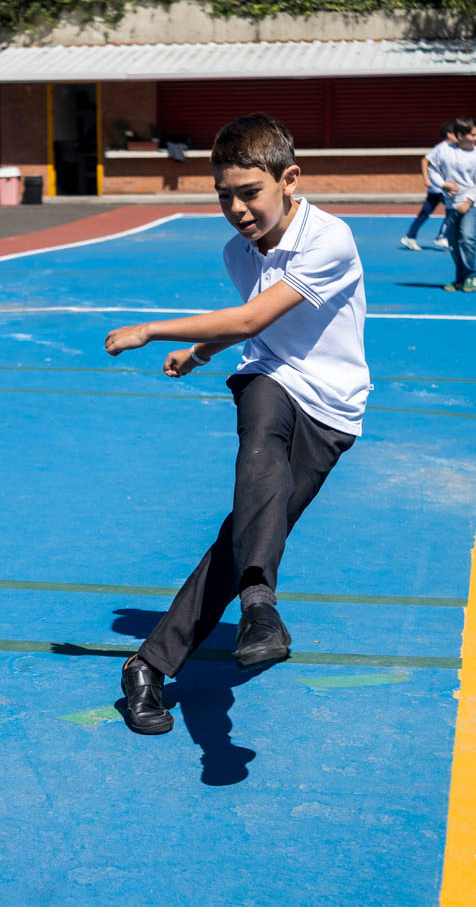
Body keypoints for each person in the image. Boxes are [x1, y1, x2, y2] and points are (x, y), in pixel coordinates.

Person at [104, 114, 370, 735]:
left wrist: (153, 330)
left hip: (333, 407)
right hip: (270, 380)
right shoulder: (237, 251)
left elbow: (252, 318)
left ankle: (146, 665)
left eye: (249, 192)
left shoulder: (329, 239)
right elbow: (259, 334)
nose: (237, 208)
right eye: (224, 194)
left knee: (245, 537)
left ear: (290, 180)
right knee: (258, 431)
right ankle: (259, 608)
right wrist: (200, 356)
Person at [427, 117, 476, 292]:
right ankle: (461, 278)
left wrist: (469, 200)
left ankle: (471, 276)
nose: (475, 138)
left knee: (468, 239)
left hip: (472, 204)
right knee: (454, 243)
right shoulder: (445, 151)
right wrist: (442, 184)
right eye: (473, 135)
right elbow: (432, 169)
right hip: (451, 205)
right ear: (461, 135)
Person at [401, 122, 456, 251]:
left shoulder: (453, 148)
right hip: (439, 188)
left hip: (438, 188)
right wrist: (426, 178)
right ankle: (442, 237)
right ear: (449, 134)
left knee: (425, 213)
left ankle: (409, 237)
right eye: (457, 133)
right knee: (453, 210)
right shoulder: (441, 148)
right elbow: (424, 160)